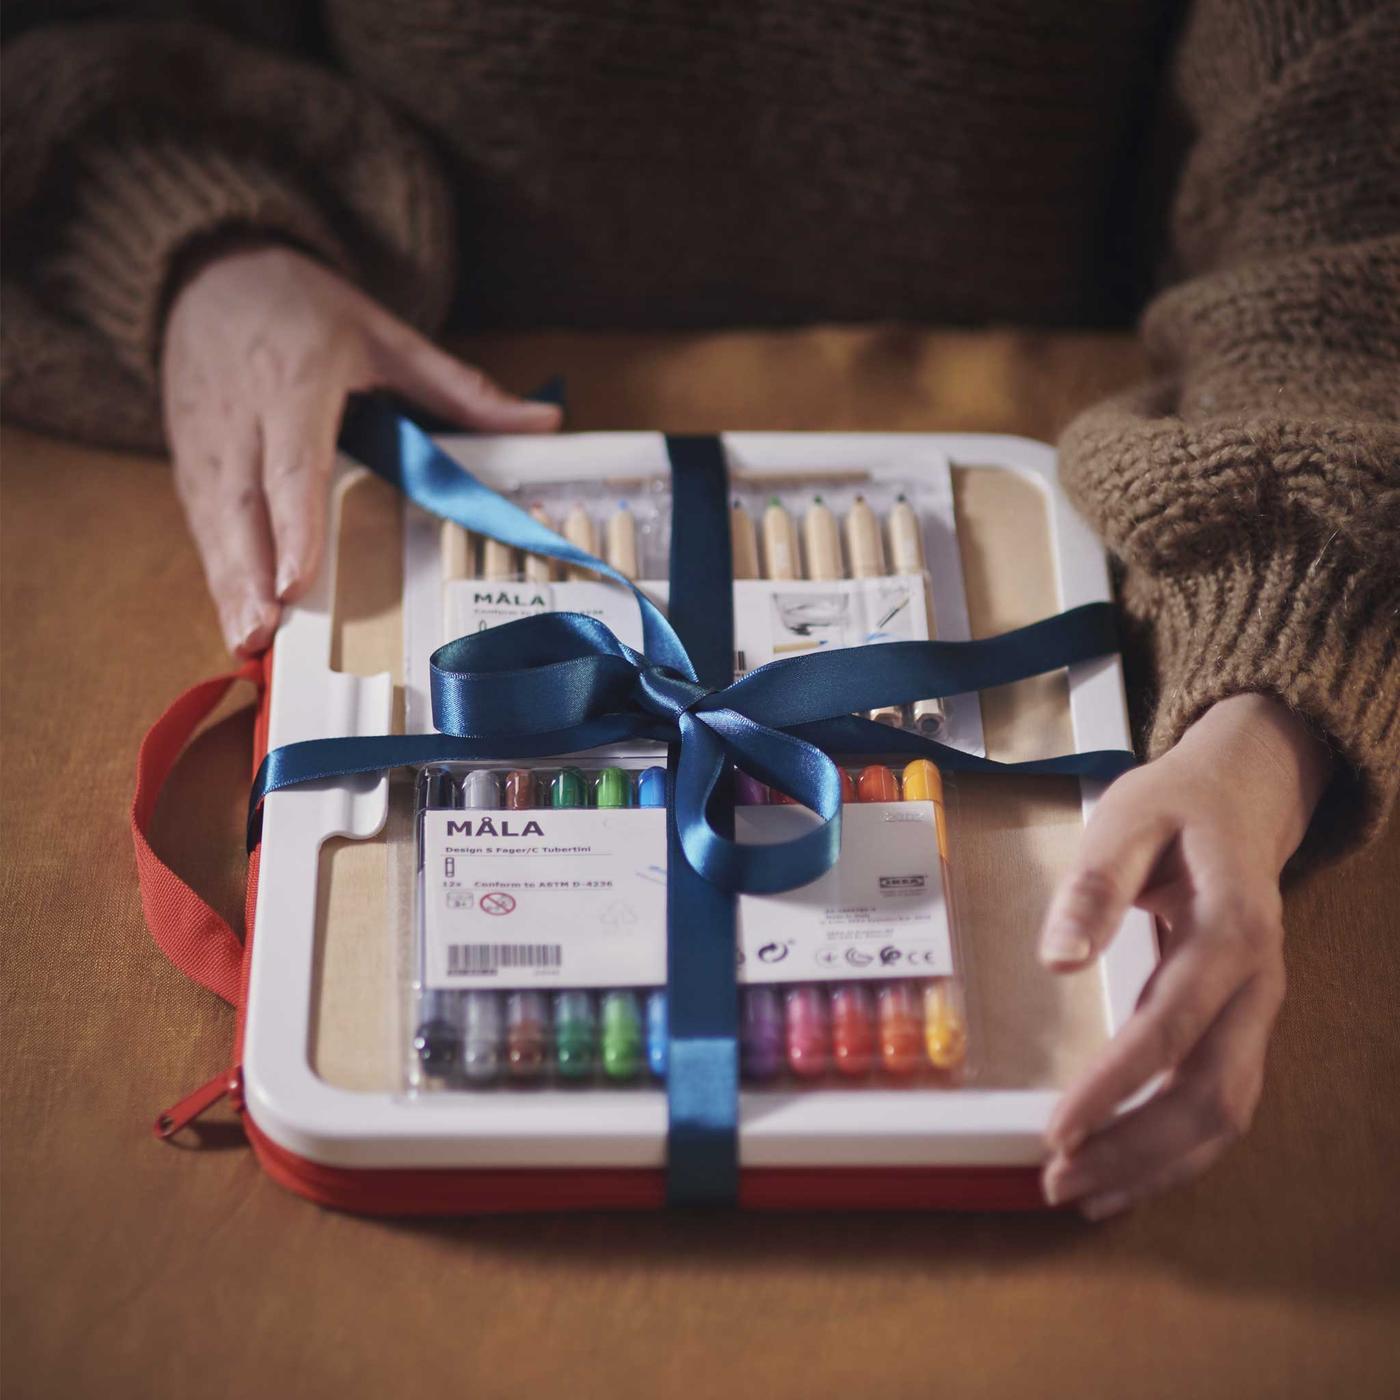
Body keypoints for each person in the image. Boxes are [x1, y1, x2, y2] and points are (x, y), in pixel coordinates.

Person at [2, 1, 1395, 1219]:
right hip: (408, 409)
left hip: (1069, 482)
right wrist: (201, 242)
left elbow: (1348, 207)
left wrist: (1270, 702)